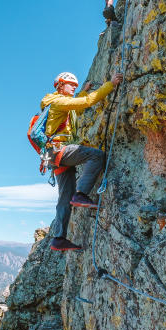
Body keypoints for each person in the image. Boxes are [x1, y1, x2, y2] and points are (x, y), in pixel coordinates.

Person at [40, 70, 124, 251]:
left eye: (76, 86)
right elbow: (85, 103)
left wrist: (83, 91)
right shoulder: (58, 101)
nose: (73, 88)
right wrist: (110, 84)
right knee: (97, 155)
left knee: (64, 197)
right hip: (59, 151)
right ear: (60, 85)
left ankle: (58, 238)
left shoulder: (58, 103)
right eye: (71, 85)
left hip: (53, 156)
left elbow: (76, 106)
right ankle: (82, 194)